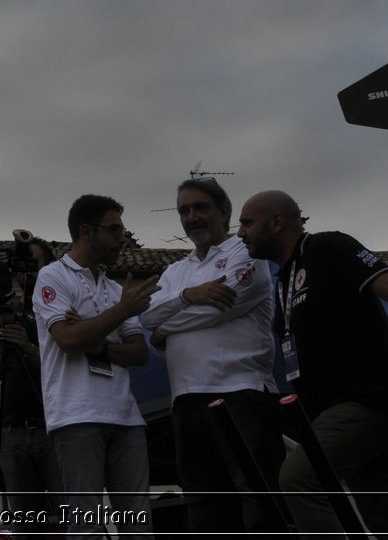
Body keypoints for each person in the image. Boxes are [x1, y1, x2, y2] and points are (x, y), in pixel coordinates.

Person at [239, 189, 388, 537]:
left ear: (276, 222)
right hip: (336, 409)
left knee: (298, 478)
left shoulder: (329, 247)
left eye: (247, 222)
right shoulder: (283, 279)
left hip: (369, 399)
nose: (240, 233)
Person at [140, 178, 283, 534]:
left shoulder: (247, 254)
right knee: (204, 503)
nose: (192, 217)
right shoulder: (176, 272)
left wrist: (166, 329)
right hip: (185, 399)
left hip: (242, 392)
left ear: (225, 212)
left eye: (200, 207)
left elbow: (220, 310)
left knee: (259, 501)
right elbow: (145, 317)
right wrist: (189, 295)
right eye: (184, 211)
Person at [32, 195, 158, 539]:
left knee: (138, 526)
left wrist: (96, 339)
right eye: (114, 229)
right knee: (85, 526)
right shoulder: (52, 277)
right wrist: (118, 314)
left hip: (127, 417)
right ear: (86, 231)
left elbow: (139, 354)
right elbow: (68, 340)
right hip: (76, 415)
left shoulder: (117, 288)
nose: (123, 238)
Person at [0, 238, 65, 531]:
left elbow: (66, 369)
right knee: (24, 525)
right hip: (12, 430)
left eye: (31, 264)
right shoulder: (6, 311)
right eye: (18, 266)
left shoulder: (57, 309)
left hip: (52, 425)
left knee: (68, 520)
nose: (23, 272)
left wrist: (29, 347)